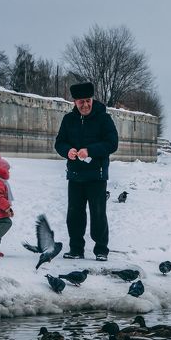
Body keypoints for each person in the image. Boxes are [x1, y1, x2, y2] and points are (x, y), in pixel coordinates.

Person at [54, 81, 119, 261]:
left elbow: (112, 143)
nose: (85, 105)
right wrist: (67, 151)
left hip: (96, 175)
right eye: (81, 101)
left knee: (98, 213)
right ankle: (76, 249)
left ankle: (101, 249)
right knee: (74, 214)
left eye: (88, 100)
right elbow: (59, 143)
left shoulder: (104, 118)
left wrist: (90, 151)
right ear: (74, 102)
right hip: (75, 175)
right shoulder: (68, 119)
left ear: (92, 99)